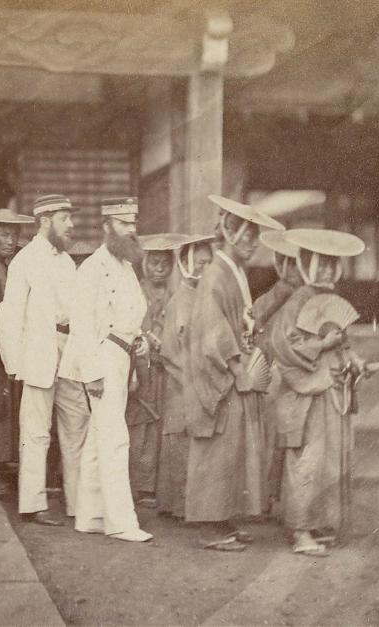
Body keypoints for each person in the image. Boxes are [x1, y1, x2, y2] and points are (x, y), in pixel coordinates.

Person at [184, 195, 283, 551]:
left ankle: (223, 519)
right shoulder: (215, 275)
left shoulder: (232, 272)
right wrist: (239, 367)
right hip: (221, 374)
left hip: (230, 370)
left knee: (231, 451)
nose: (253, 244)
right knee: (217, 450)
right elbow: (213, 330)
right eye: (248, 237)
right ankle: (210, 528)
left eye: (255, 237)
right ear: (229, 233)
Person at [266, 228, 366, 557]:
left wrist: (352, 359)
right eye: (319, 263)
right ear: (306, 264)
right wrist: (322, 344)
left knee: (328, 461)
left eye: (331, 263)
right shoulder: (298, 300)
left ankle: (319, 523)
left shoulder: (332, 300)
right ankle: (300, 531)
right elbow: (284, 347)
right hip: (306, 395)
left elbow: (343, 343)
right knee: (306, 461)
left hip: (332, 390)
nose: (325, 270)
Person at [64, 197, 153, 542]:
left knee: (98, 439)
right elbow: (82, 324)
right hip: (102, 358)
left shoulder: (126, 266)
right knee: (115, 439)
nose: (131, 229)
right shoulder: (92, 268)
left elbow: (129, 316)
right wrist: (92, 373)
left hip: (122, 356)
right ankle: (121, 523)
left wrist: (139, 339)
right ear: (106, 227)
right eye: (123, 223)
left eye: (133, 223)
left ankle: (90, 515)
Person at [0, 194, 87, 527]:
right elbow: (9, 316)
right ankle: (33, 505)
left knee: (77, 426)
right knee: (36, 432)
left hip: (69, 352)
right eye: (65, 218)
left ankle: (80, 503)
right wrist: (15, 365)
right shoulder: (25, 261)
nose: (71, 225)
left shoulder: (66, 262)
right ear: (45, 221)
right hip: (39, 354)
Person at [156, 233, 215, 519]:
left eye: (208, 263)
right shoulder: (180, 300)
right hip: (182, 383)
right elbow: (170, 351)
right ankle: (179, 507)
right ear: (186, 263)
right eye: (200, 262)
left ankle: (185, 506)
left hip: (196, 382)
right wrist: (193, 381)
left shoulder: (203, 297)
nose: (205, 268)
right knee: (180, 443)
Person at [0, 208, 33, 484]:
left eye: (14, 235)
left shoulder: (12, 265)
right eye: (4, 235)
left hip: (10, 344)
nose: (10, 241)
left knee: (5, 402)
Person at [127, 234, 181, 508]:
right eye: (154, 263)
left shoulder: (176, 295)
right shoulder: (135, 291)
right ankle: (139, 484)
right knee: (141, 425)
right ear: (145, 263)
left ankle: (157, 485)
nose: (159, 268)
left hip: (166, 370)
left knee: (161, 425)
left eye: (164, 263)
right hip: (142, 368)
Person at [253, 229, 302, 513]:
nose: (292, 269)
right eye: (286, 262)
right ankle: (267, 498)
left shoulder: (309, 300)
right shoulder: (268, 298)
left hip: (300, 376)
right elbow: (255, 326)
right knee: (271, 437)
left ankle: (289, 500)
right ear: (278, 264)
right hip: (273, 375)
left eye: (297, 263)